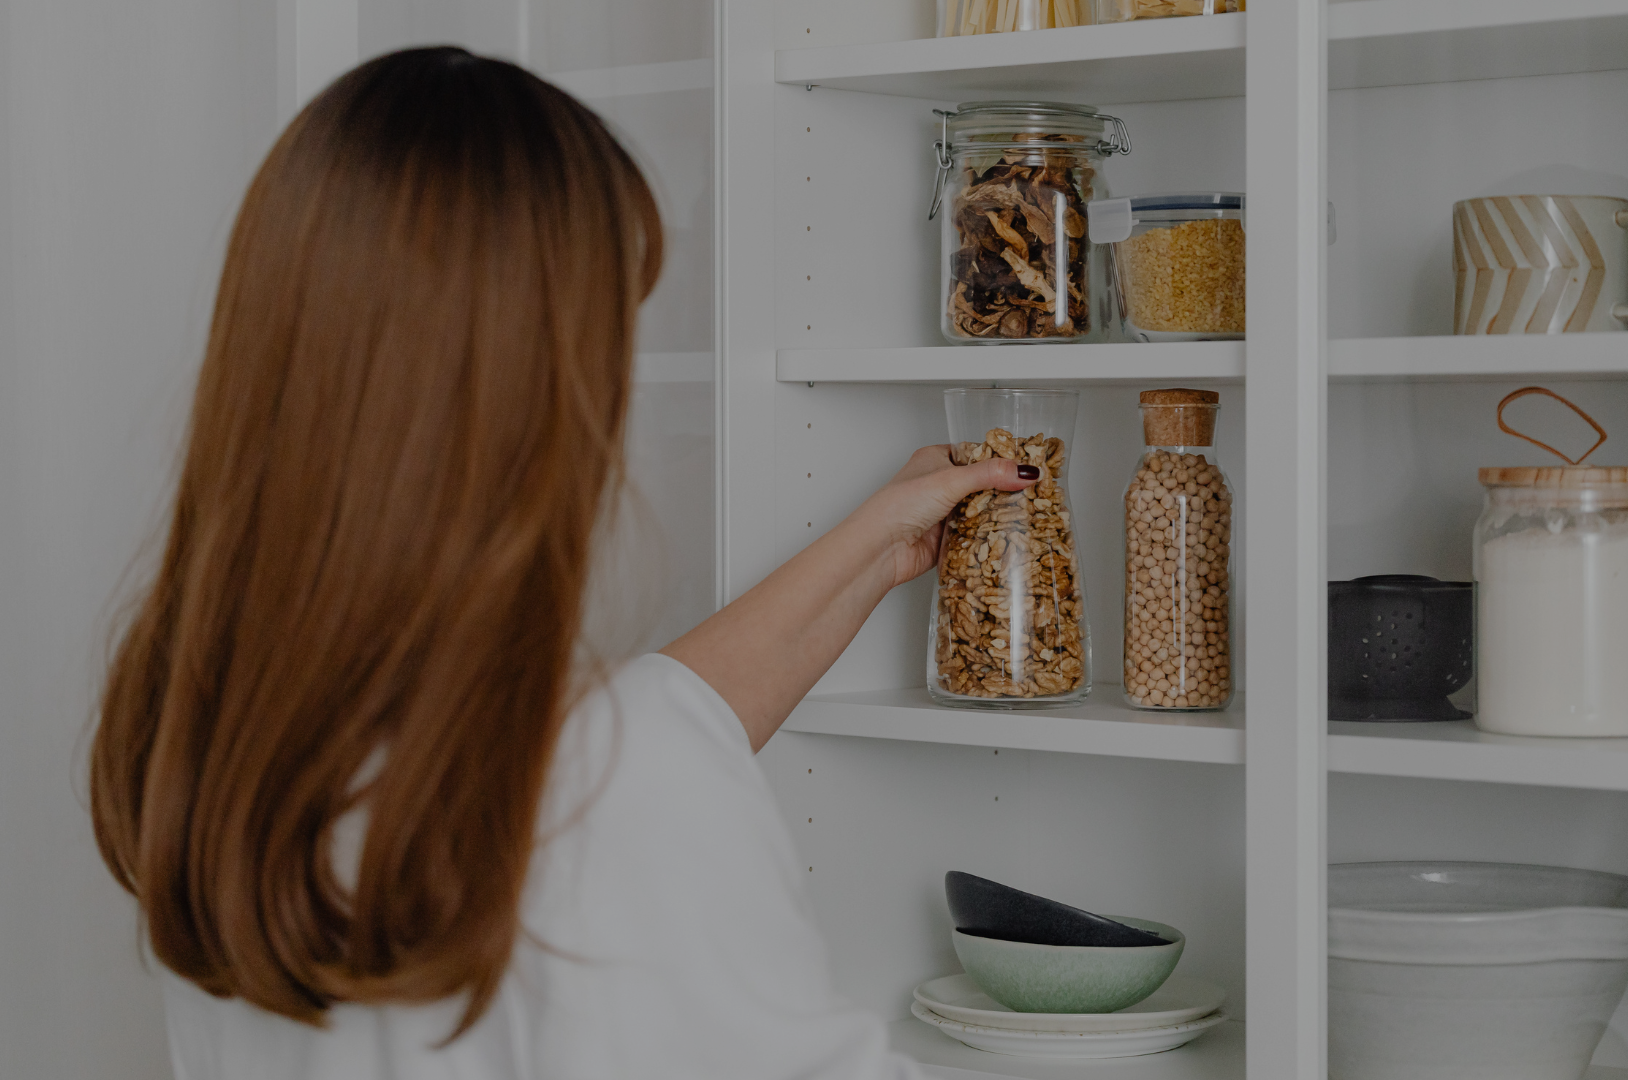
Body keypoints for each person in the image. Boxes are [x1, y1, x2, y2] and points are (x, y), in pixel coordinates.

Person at [87, 47, 1039, 1079]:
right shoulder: (618, 792)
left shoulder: (215, 737)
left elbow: (623, 734)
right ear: (528, 387)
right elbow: (614, 774)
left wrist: (872, 546)